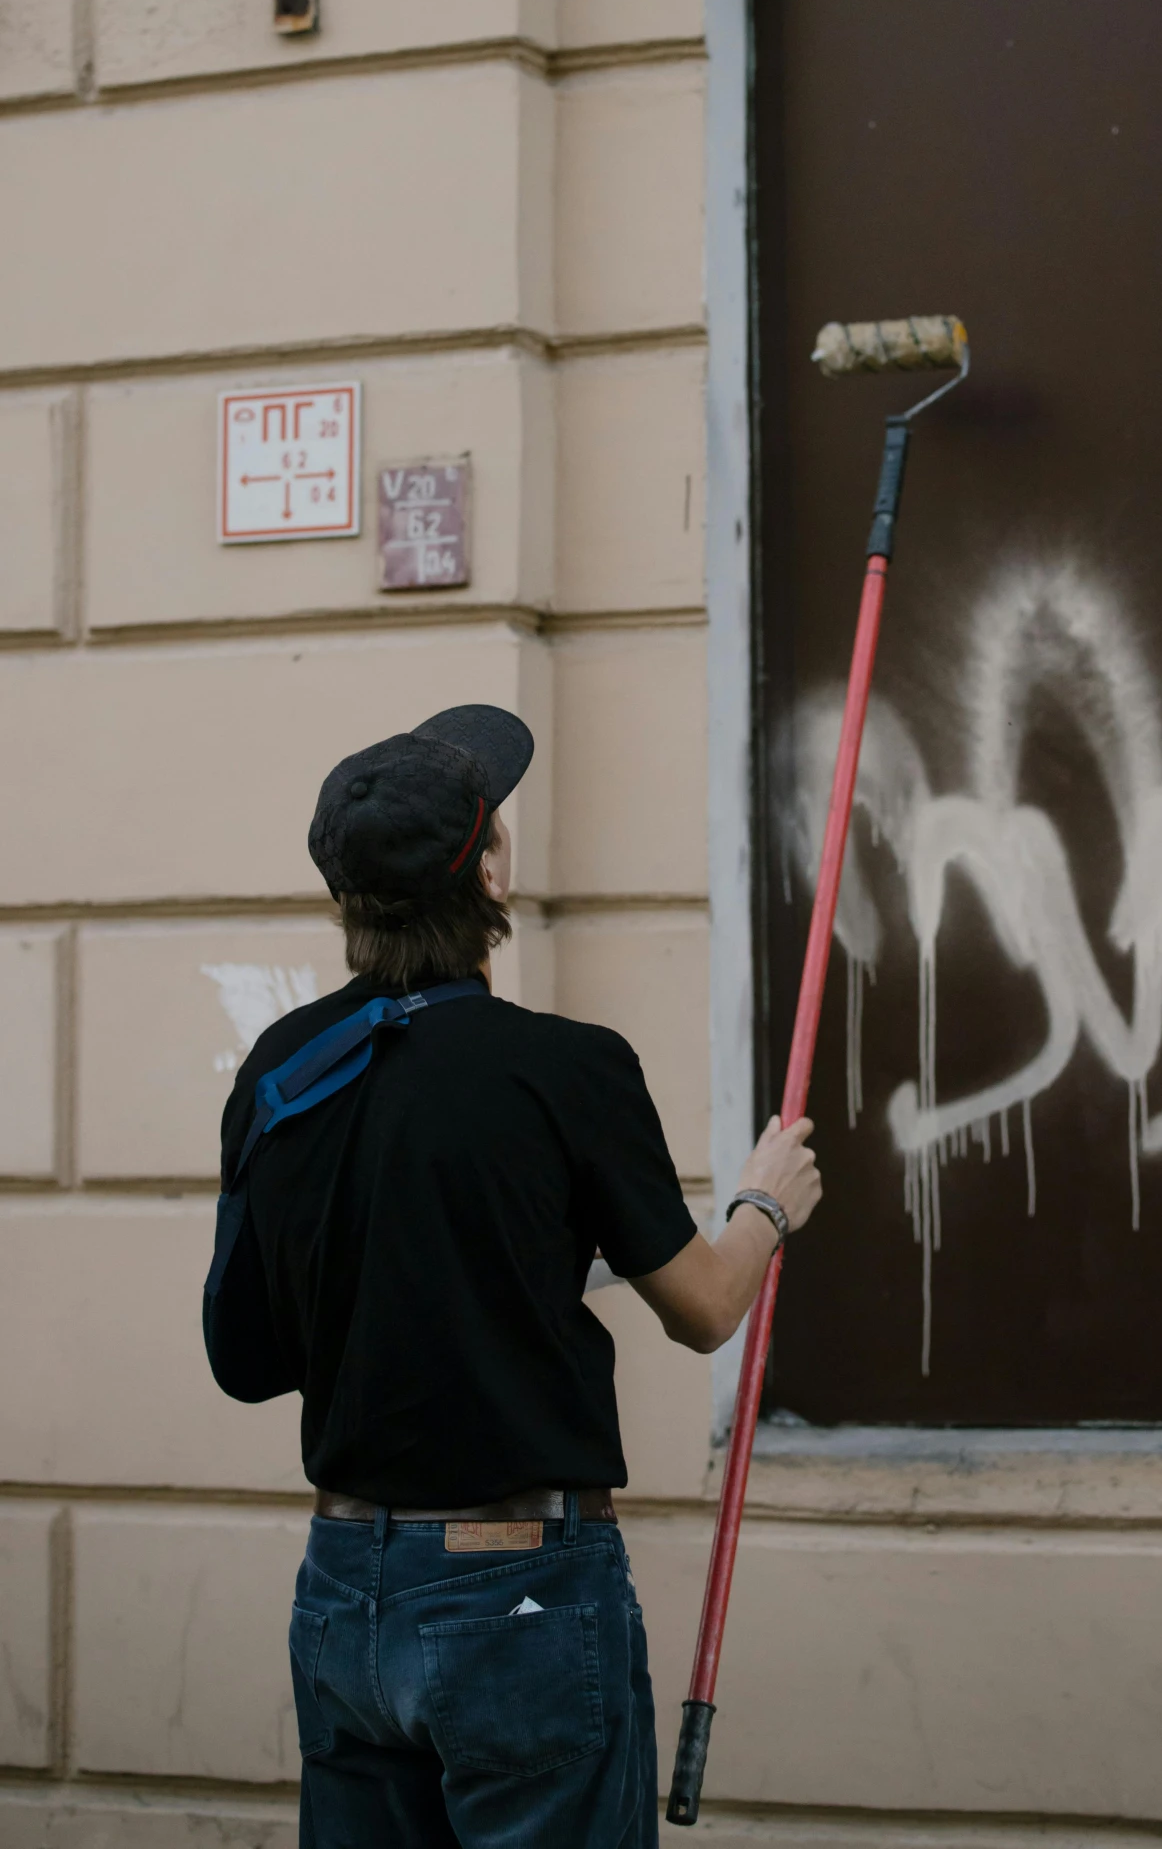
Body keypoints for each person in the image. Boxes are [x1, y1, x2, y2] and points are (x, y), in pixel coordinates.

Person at [211, 703, 821, 1848]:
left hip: (345, 1587)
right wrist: (765, 1203)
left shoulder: (280, 1070)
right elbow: (703, 1305)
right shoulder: (564, 1068)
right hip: (518, 1594)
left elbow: (248, 1352)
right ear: (487, 868)